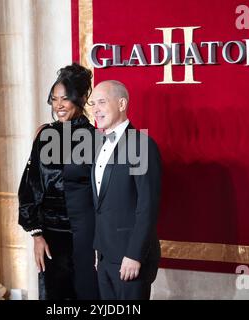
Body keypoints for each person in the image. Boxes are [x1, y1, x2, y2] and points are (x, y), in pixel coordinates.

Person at [18, 63, 99, 300]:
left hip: (86, 233)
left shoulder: (97, 138)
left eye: (65, 98)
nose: (59, 105)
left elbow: (102, 193)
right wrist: (36, 235)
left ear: (82, 98)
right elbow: (30, 184)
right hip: (51, 235)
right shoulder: (44, 135)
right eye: (54, 99)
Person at [89, 80, 162, 300]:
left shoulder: (141, 144)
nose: (95, 109)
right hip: (104, 256)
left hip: (130, 258)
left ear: (122, 104)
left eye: (102, 102)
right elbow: (102, 205)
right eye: (92, 103)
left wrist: (134, 255)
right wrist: (98, 248)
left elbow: (147, 206)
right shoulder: (98, 145)